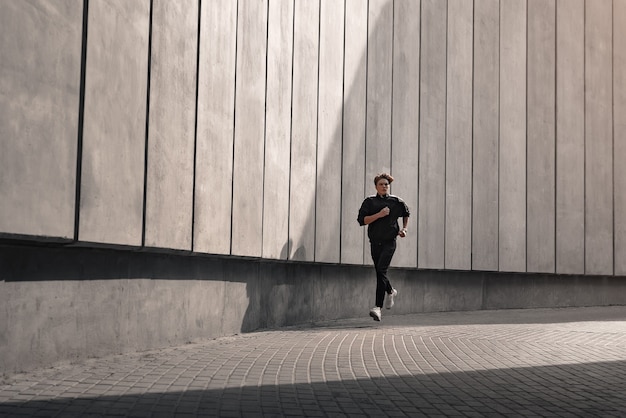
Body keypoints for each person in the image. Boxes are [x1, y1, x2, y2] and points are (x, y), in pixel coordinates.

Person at [357, 173, 410, 321]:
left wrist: (404, 229)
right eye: (381, 184)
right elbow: (362, 220)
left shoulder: (396, 201)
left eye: (386, 184)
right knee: (380, 273)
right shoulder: (369, 202)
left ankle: (377, 308)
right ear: (376, 186)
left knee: (381, 270)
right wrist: (379, 214)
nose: (384, 186)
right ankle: (390, 290)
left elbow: (406, 213)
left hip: (389, 242)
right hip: (374, 243)